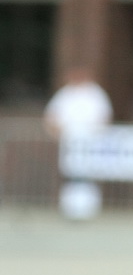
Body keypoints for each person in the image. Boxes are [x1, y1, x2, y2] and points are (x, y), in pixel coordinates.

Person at [44, 64, 113, 219]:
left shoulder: (95, 94)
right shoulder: (65, 93)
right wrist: (58, 132)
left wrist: (96, 134)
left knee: (88, 173)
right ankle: (71, 207)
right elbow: (52, 116)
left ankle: (87, 207)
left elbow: (104, 117)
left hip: (90, 141)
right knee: (70, 174)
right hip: (70, 140)